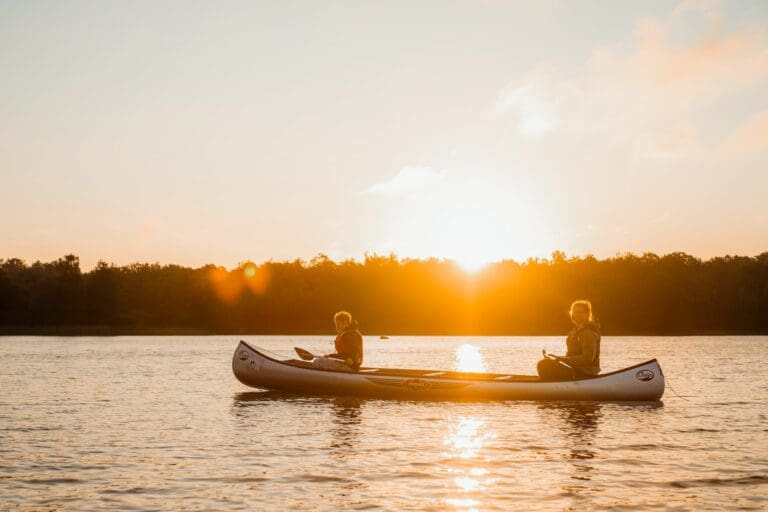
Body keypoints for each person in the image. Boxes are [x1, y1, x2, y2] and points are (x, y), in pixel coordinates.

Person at [537, 300, 601, 381]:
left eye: (579, 312)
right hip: (576, 370)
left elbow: (587, 358)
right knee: (547, 363)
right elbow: (571, 356)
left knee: (543, 365)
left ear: (587, 314)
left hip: (585, 373)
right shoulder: (575, 332)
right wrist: (560, 359)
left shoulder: (587, 333)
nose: (576, 315)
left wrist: (564, 359)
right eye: (573, 312)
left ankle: (550, 385)